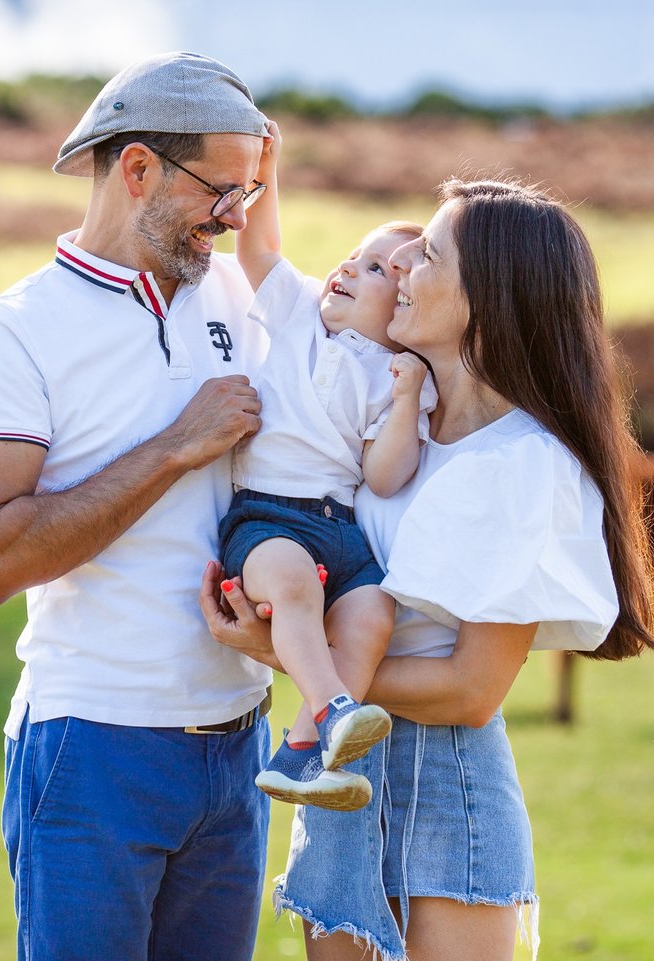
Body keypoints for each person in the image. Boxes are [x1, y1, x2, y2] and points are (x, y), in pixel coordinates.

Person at [202, 178, 654, 961]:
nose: (404, 267)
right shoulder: (393, 421)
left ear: (486, 296)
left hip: (443, 785)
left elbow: (469, 688)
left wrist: (297, 663)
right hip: (339, 780)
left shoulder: (523, 463)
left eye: (428, 255)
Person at [0, 53, 276, 961]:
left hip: (240, 746)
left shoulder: (241, 297)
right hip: (92, 749)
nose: (236, 215)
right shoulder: (17, 328)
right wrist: (175, 446)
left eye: (251, 189)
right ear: (137, 170)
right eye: (220, 188)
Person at [223, 121, 437, 812]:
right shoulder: (298, 315)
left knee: (374, 608)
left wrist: (405, 400)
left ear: (405, 305)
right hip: (267, 516)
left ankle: (298, 752)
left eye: (377, 270)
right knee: (291, 585)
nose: (348, 268)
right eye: (355, 255)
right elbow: (258, 243)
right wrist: (266, 167)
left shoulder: (401, 373)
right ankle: (337, 709)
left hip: (341, 530)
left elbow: (384, 475)